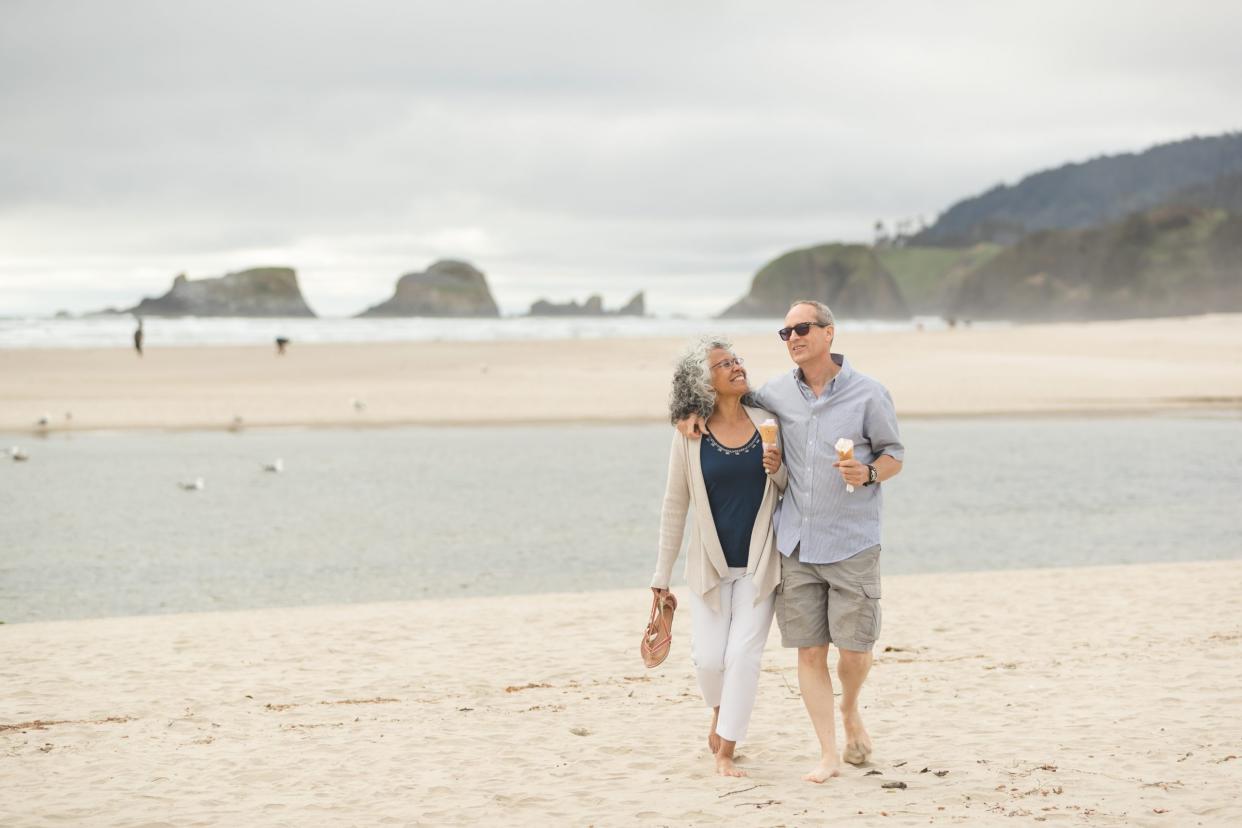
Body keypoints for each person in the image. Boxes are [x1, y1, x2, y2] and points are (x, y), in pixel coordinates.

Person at [677, 300, 904, 783]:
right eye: (785, 333)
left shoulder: (869, 394)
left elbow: (894, 457)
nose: (793, 338)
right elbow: (723, 397)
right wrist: (688, 414)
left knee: (856, 653)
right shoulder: (775, 394)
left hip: (854, 541)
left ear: (829, 333)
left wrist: (866, 472)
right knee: (808, 651)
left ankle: (851, 711)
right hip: (795, 542)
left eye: (802, 329)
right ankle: (827, 752)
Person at [652, 336, 787, 778]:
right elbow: (675, 505)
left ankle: (726, 750)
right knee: (708, 661)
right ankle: (719, 711)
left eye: (736, 360)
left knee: (743, 657)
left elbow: (789, 488)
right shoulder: (691, 434)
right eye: (723, 364)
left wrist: (778, 469)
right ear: (702, 382)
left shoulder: (769, 421)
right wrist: (661, 575)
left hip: (759, 563)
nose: (735, 367)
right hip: (709, 566)